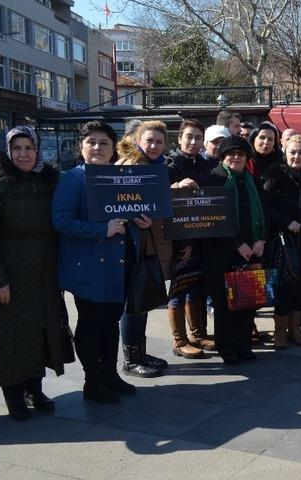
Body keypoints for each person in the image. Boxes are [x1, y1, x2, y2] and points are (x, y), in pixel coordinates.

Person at [53, 121, 151, 404]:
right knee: (91, 324)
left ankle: (109, 374)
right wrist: (101, 229)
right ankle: (92, 380)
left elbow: (128, 212)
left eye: (103, 143)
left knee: (110, 324)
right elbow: (62, 221)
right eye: (91, 142)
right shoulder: (73, 179)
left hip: (118, 265)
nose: (97, 147)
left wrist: (140, 221)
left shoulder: (120, 177)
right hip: (89, 267)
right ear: (81, 147)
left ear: (113, 148)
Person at [0, 127, 63, 420]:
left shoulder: (47, 180)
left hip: (43, 276)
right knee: (10, 338)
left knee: (38, 334)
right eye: (17, 148)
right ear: (8, 151)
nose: (23, 154)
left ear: (37, 150)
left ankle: (34, 390)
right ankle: (13, 397)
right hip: (10, 278)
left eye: (29, 147)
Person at [201, 136, 268, 364]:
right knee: (224, 304)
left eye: (241, 154)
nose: (236, 158)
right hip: (223, 252)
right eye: (231, 153)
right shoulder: (214, 179)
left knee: (248, 301)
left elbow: (265, 212)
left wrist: (261, 240)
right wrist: (237, 243)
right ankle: (226, 346)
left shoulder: (254, 181)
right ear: (222, 156)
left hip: (252, 250)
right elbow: (213, 219)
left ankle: (243, 343)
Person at [116, 121, 174, 376]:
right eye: (149, 141)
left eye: (159, 142)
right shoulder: (132, 166)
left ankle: (140, 353)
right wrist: (136, 216)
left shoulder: (154, 165)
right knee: (134, 302)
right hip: (131, 244)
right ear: (139, 141)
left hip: (148, 240)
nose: (154, 146)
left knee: (143, 300)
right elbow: (118, 202)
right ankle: (130, 360)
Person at [261, 134, 301, 348]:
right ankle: (279, 331)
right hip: (282, 241)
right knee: (284, 287)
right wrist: (286, 221)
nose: (296, 156)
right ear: (285, 153)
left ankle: (295, 328)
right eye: (292, 152)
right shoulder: (274, 175)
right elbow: (265, 208)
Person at [166, 120, 216, 359]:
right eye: (189, 137)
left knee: (197, 286)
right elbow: (160, 198)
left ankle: (198, 334)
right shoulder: (171, 164)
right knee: (179, 288)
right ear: (179, 139)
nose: (194, 142)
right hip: (179, 238)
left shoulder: (204, 163)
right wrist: (175, 186)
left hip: (201, 235)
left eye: (198, 137)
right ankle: (179, 340)